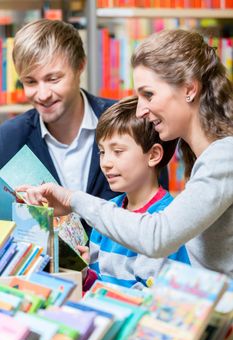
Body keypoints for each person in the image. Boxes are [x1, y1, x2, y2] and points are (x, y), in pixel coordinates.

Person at [17, 29, 233, 278]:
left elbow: (157, 236)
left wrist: (71, 199)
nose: (140, 110)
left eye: (148, 94)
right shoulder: (206, 157)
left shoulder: (223, 157)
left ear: (189, 89)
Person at [0, 19, 169, 235]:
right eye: (30, 82)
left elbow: (155, 204)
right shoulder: (8, 140)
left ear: (80, 65)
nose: (42, 95)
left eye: (53, 79)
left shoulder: (130, 122)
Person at [78, 96, 189, 291]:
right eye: (102, 152)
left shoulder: (169, 220)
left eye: (118, 151)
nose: (106, 163)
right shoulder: (105, 214)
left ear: (153, 155)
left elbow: (165, 299)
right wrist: (85, 276)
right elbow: (100, 285)